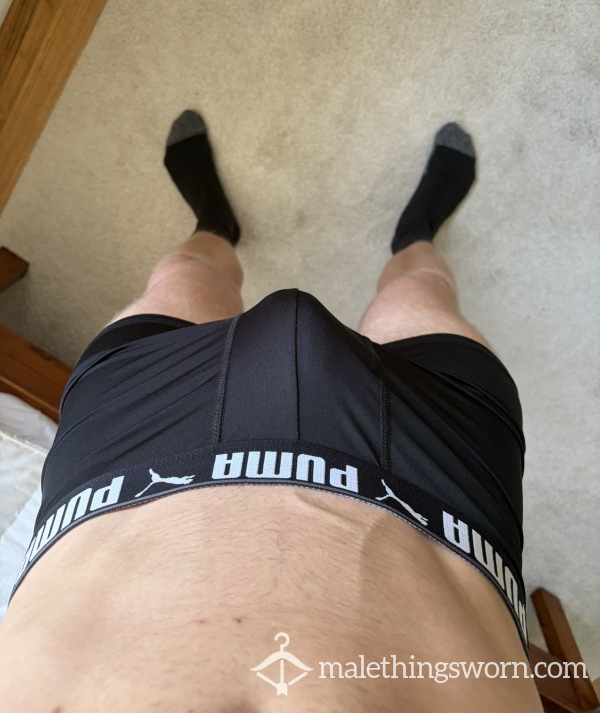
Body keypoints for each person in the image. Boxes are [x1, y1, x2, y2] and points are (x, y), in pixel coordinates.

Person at [0, 113, 543, 711]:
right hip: (439, 506)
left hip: (119, 473)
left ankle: (218, 226)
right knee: (421, 297)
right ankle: (416, 240)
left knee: (182, 275)